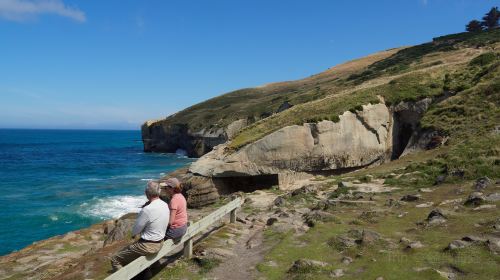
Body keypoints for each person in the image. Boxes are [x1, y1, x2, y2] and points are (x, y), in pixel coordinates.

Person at [110, 181, 169, 272]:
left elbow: (135, 231)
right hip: (160, 241)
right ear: (159, 192)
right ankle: (147, 273)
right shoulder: (165, 205)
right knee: (135, 252)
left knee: (115, 259)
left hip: (148, 246)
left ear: (146, 193)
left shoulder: (147, 209)